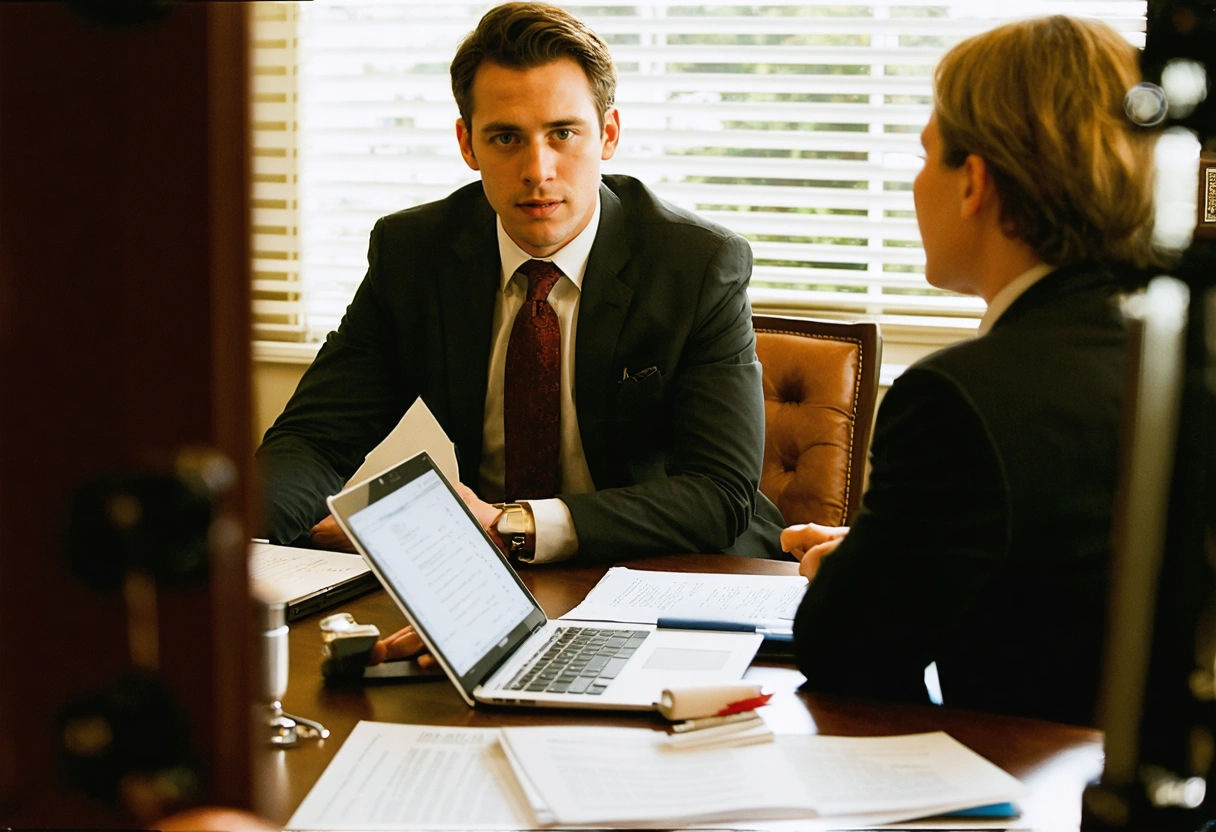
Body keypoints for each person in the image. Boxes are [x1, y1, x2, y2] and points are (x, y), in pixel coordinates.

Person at [256, 2, 785, 571]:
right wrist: (240, 548)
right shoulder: (415, 256)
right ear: (468, 144)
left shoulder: (696, 264)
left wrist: (511, 523)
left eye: (563, 133)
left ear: (607, 135)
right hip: (488, 582)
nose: (538, 169)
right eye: (506, 138)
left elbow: (719, 494)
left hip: (670, 570)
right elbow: (311, 441)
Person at [781, 15, 1159, 726]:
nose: (916, 184)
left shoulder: (959, 398)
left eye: (927, 157)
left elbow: (846, 652)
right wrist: (892, 553)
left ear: (974, 182)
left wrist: (854, 582)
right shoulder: (1178, 351)